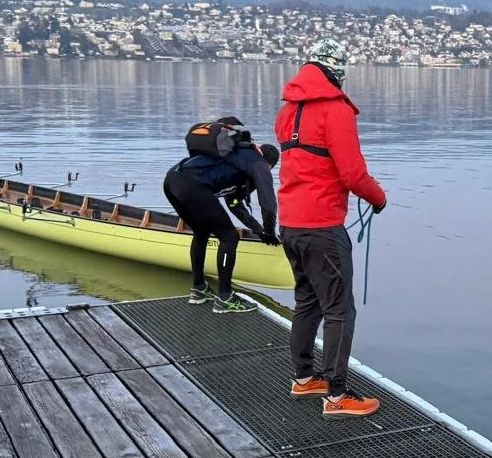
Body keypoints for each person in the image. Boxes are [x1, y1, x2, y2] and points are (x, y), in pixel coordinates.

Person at [273, 38, 386, 417]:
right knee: (340, 310)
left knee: (306, 302)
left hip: (289, 224)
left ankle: (305, 378)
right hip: (322, 227)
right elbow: (352, 173)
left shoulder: (287, 111)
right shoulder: (336, 110)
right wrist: (378, 197)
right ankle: (337, 396)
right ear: (338, 72)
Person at [162, 128, 279, 313]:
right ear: (270, 164)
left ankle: (198, 289)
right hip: (191, 185)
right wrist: (270, 231)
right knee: (230, 237)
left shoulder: (237, 160)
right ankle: (225, 297)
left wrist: (259, 230)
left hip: (172, 180)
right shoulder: (259, 165)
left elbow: (233, 203)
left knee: (201, 231)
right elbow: (268, 202)